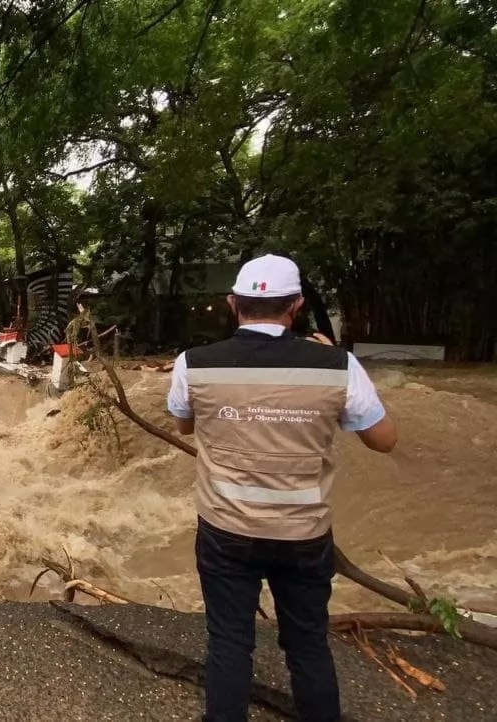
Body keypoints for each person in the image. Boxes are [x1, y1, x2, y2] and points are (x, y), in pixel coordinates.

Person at [166, 254, 398, 722]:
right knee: (308, 642)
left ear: (234, 304)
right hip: (303, 534)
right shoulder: (337, 365)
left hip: (226, 528)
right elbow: (384, 441)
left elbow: (183, 425)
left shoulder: (194, 364)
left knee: (229, 640)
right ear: (294, 305)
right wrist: (331, 360)